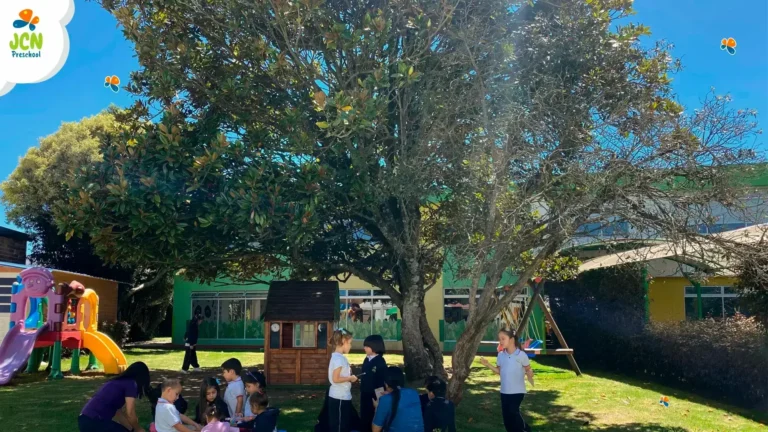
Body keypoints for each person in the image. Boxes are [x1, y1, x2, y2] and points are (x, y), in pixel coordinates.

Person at [479, 329, 535, 432]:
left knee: (513, 411)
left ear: (512, 339)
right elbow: (499, 371)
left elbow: (528, 369)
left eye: (503, 338)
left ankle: (525, 429)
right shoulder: (501, 355)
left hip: (517, 391)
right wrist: (487, 364)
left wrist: (530, 373)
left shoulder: (521, 355)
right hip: (504, 391)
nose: (500, 341)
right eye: (499, 339)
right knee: (507, 416)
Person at [78, 361, 152, 432]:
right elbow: (130, 414)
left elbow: (118, 413)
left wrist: (131, 429)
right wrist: (138, 429)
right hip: (95, 421)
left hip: (84, 420)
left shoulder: (116, 382)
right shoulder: (131, 384)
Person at [372, 367, 424, 432]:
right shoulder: (414, 393)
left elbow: (375, 430)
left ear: (386, 384)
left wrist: (377, 408)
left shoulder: (385, 400)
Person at [328, 328, 358, 432]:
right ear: (343, 341)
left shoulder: (339, 357)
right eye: (349, 343)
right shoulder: (338, 359)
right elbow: (335, 379)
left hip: (342, 396)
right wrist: (350, 378)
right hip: (339, 398)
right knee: (340, 427)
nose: (350, 346)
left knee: (343, 425)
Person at [360, 335, 387, 432]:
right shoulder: (366, 359)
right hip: (364, 393)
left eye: (367, 346)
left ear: (375, 346)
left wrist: (379, 398)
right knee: (364, 416)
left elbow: (381, 381)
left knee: (373, 416)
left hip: (374, 395)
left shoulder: (380, 361)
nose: (364, 348)